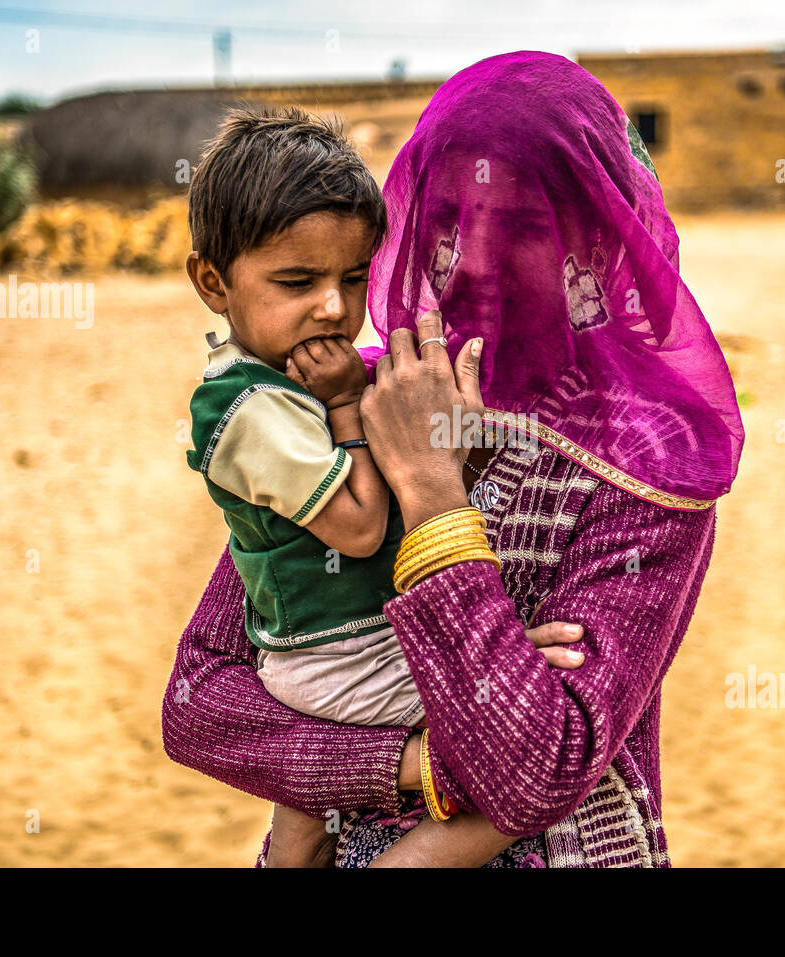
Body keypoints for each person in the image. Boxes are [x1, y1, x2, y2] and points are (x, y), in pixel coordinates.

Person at [162, 50, 744, 867]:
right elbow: (201, 698)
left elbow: (538, 771)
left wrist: (433, 491)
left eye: (526, 225)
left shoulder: (651, 463)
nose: (471, 259)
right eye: (447, 224)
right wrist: (412, 763)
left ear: (597, 231)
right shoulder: (369, 394)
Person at [182, 106, 537, 866]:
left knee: (300, 836)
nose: (336, 308)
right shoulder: (252, 408)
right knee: (514, 738)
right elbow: (362, 526)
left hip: (322, 653)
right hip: (338, 657)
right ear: (213, 282)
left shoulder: (276, 380)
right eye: (297, 280)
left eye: (353, 277)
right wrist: (349, 405)